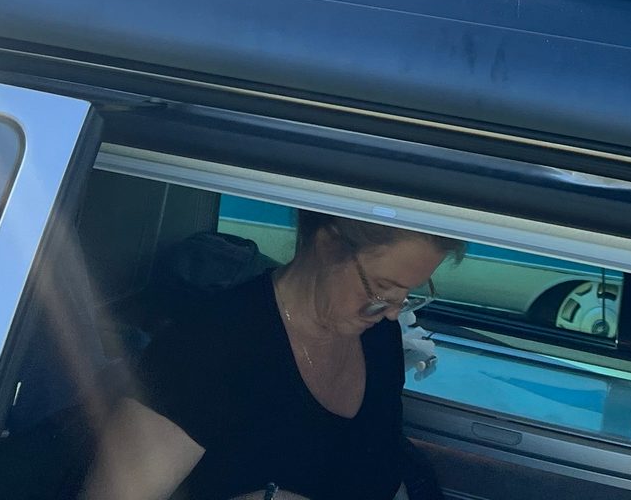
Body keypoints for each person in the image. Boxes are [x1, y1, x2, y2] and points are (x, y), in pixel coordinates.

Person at [79, 211, 463, 500]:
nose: (394, 311)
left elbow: (382, 464)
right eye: (382, 288)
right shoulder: (202, 351)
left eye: (411, 291)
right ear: (327, 245)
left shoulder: (378, 335)